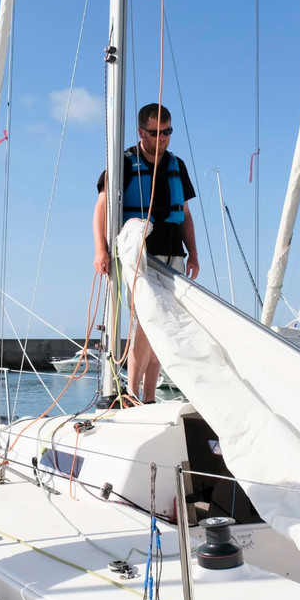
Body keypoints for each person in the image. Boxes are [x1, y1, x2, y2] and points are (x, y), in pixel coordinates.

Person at [93, 103, 198, 404]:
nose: (162, 138)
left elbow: (185, 214)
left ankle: (149, 397)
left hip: (173, 254)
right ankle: (131, 392)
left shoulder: (177, 165)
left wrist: (193, 254)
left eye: (167, 132)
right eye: (155, 132)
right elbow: (102, 207)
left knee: (163, 326)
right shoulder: (125, 162)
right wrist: (100, 248)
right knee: (146, 322)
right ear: (141, 132)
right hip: (139, 255)